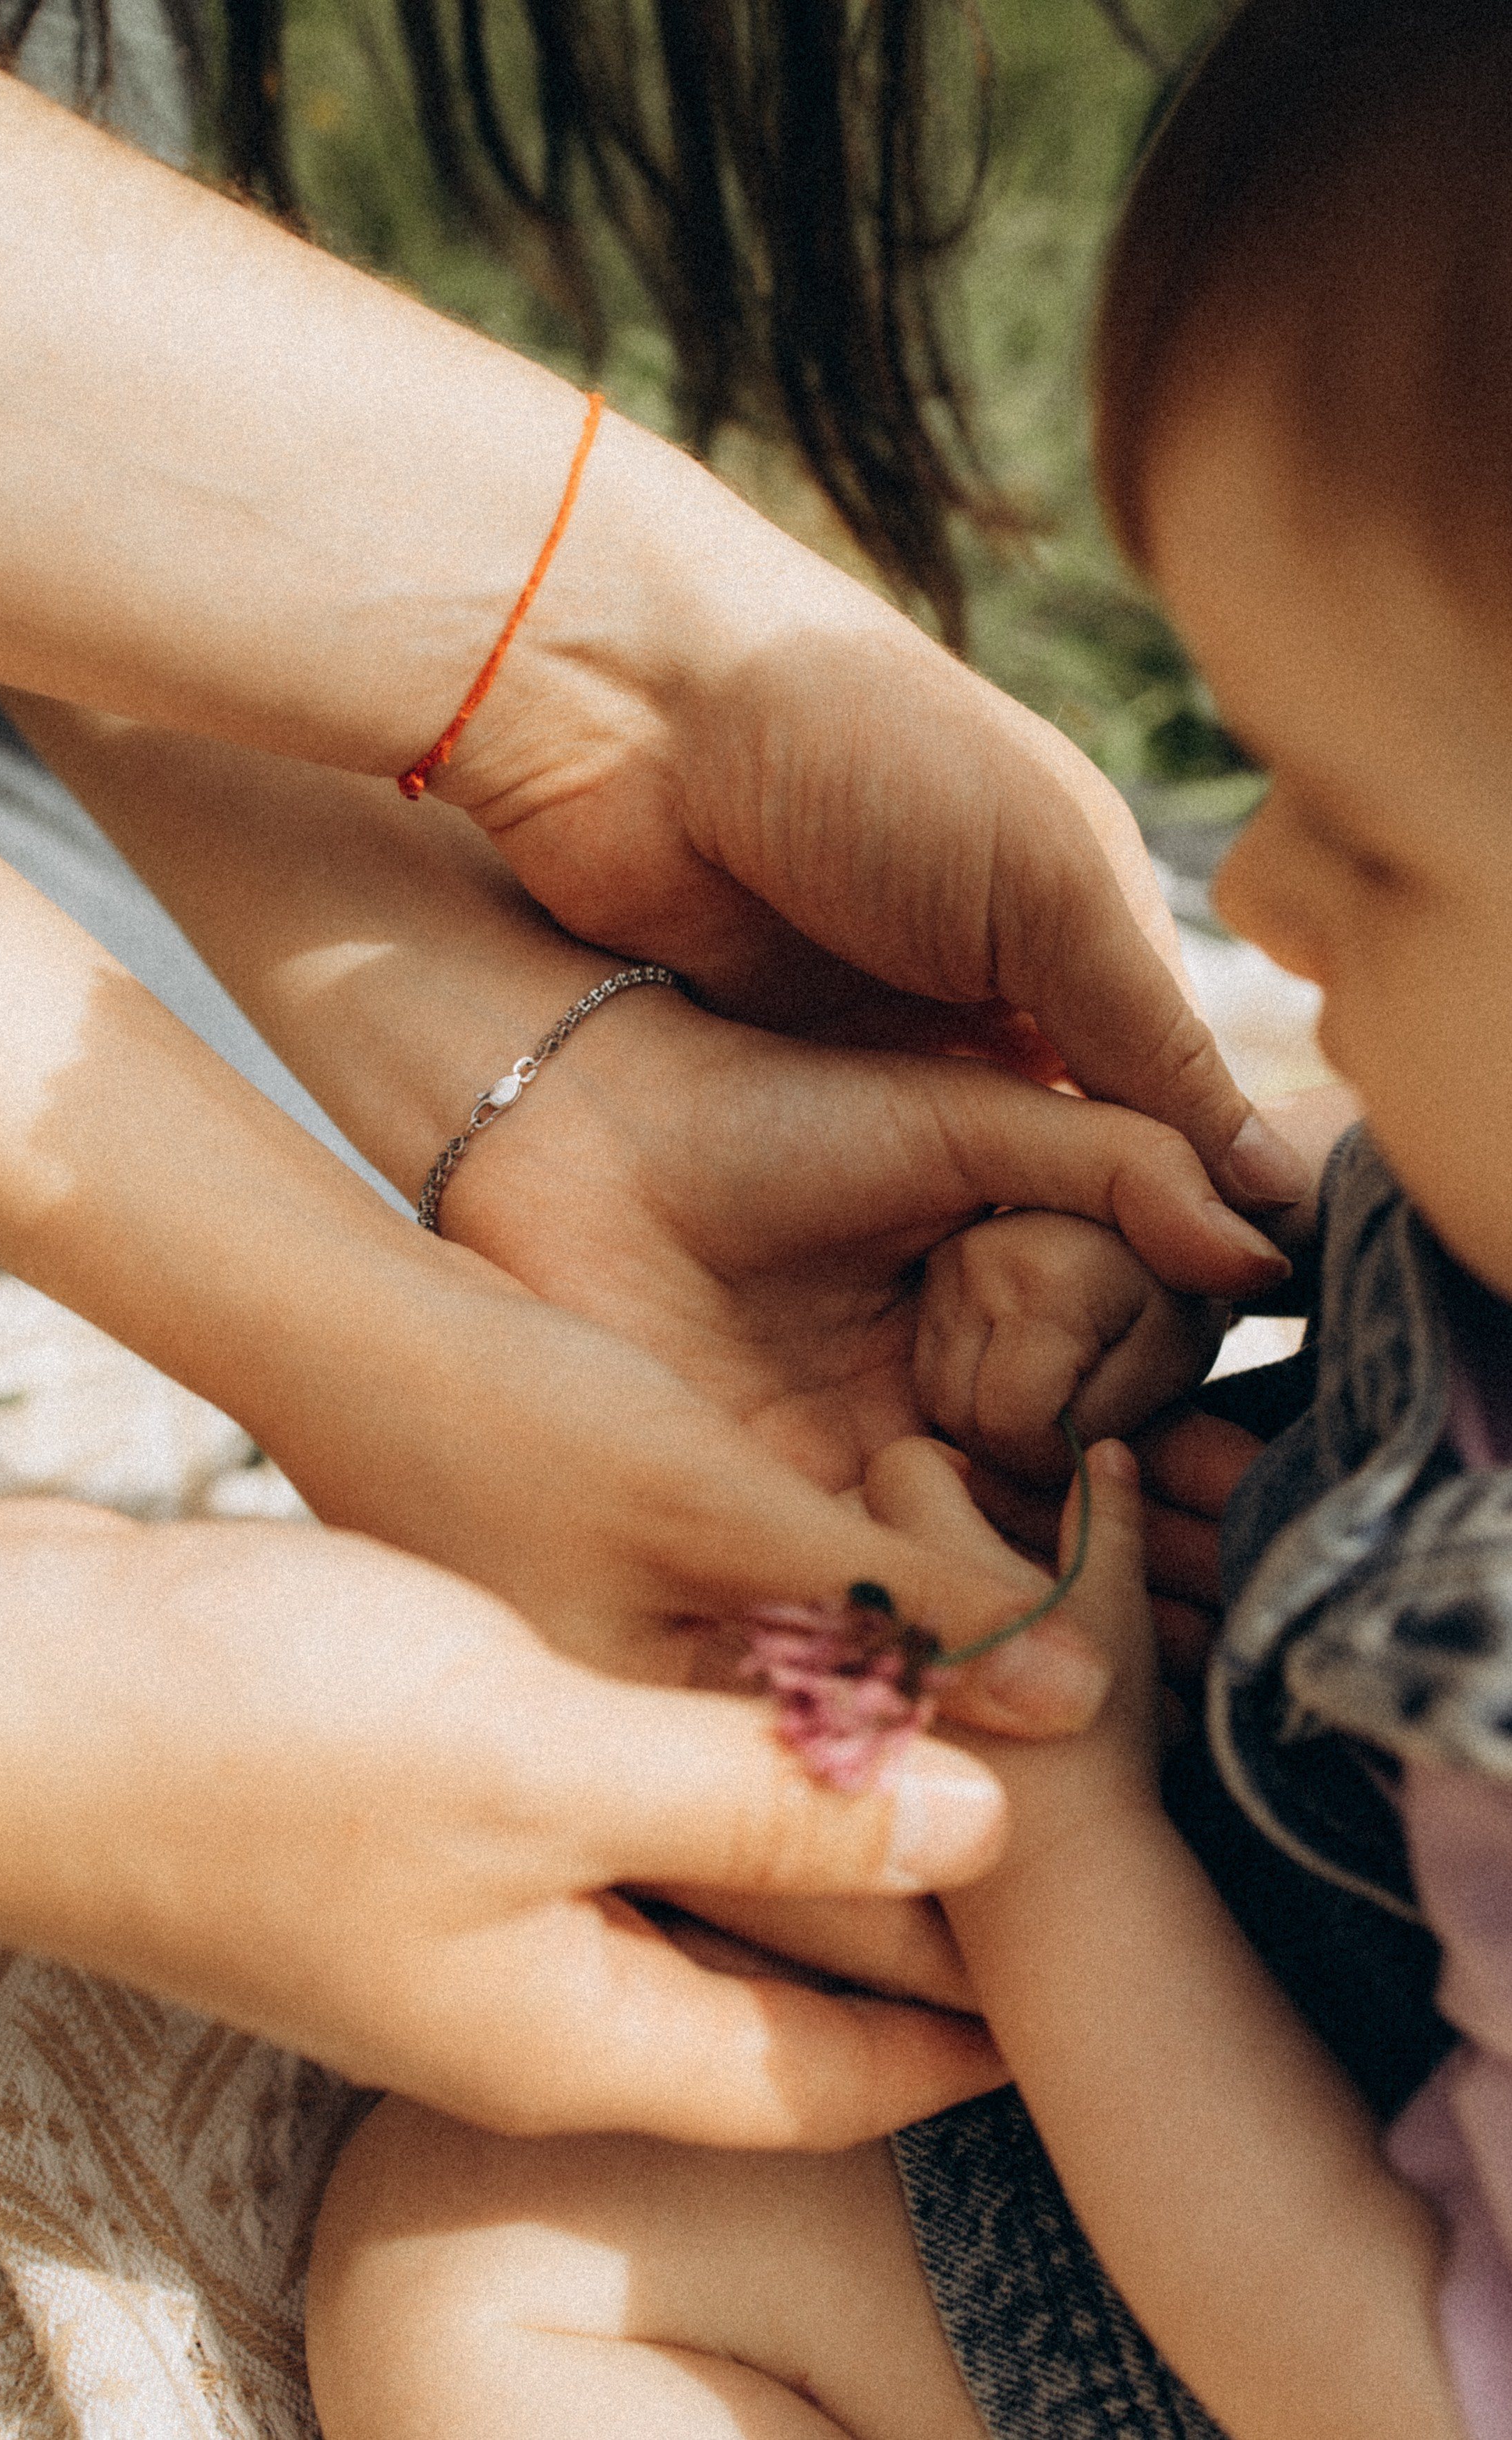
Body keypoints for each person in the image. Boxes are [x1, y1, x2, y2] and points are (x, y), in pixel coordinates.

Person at [300, 6, 1512, 2437]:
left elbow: (1398, 2382)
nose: (1255, 898)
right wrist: (1163, 1354)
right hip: (1313, 1995)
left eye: (1368, 840)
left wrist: (1059, 1852)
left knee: (482, 2255)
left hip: (1328, 2272)